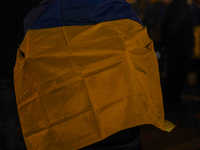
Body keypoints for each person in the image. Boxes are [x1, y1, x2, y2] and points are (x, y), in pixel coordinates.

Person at [14, 0, 165, 149]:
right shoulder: (122, 12)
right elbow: (143, 58)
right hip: (123, 125)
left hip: (69, 131)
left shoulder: (38, 19)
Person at [160, 0, 194, 113]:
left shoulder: (174, 6)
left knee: (173, 75)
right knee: (176, 76)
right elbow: (178, 27)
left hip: (174, 47)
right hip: (179, 49)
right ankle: (172, 103)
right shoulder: (181, 7)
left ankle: (169, 102)